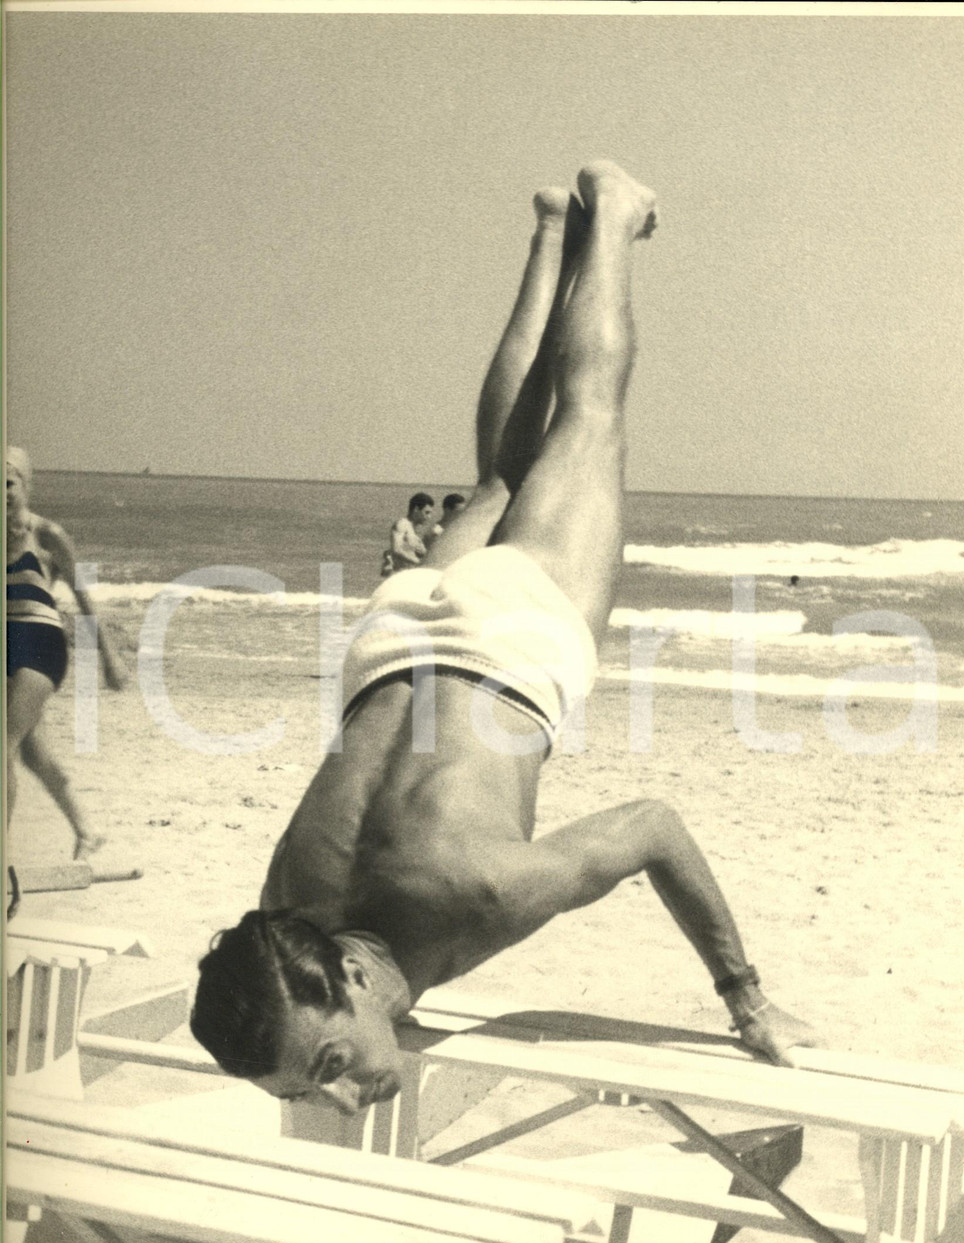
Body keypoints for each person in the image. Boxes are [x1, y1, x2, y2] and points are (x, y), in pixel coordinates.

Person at [192, 162, 815, 1114]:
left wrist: (746, 997)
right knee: (494, 480)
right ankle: (551, 235)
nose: (351, 1098)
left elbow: (652, 826)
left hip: (512, 640)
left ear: (355, 987)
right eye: (310, 1092)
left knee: (593, 412)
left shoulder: (478, 896)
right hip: (393, 639)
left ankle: (612, 213)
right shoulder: (281, 925)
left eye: (329, 1070)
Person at [6, 445, 126, 864]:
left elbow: (83, 597)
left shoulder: (48, 535)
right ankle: (87, 830)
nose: (2, 492)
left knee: (4, 745)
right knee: (30, 752)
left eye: (9, 483)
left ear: (26, 485)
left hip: (41, 644)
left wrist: (109, 657)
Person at [380, 492, 436, 577]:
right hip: (400, 577)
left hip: (410, 575)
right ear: (416, 509)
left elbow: (410, 551)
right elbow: (396, 549)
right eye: (427, 512)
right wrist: (419, 562)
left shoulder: (413, 530)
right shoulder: (402, 524)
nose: (429, 517)